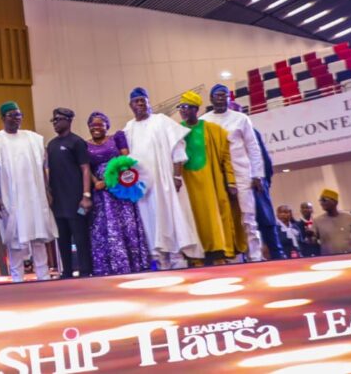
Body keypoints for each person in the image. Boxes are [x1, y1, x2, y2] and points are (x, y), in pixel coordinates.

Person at [122, 87, 202, 269]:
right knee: (149, 221)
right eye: (136, 101)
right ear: (130, 105)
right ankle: (161, 262)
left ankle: (177, 259)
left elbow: (178, 149)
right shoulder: (128, 128)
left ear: (149, 103)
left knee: (169, 216)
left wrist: (177, 176)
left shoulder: (162, 121)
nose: (140, 104)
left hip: (163, 182)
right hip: (142, 188)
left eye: (143, 100)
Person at [0, 101, 58, 282]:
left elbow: (41, 168)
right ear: (3, 118)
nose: (16, 119)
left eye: (19, 115)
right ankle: (17, 278)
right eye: (12, 115)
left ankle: (43, 275)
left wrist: (47, 190)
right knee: (15, 238)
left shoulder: (33, 138)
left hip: (35, 196)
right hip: (10, 197)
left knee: (39, 235)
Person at [176, 91, 244, 264]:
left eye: (186, 107)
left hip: (210, 181)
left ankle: (217, 255)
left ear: (195, 109)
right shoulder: (175, 131)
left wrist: (231, 181)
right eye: (180, 107)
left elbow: (226, 157)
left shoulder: (214, 130)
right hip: (187, 184)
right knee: (191, 218)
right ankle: (195, 258)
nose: (182, 110)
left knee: (213, 218)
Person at [201, 84, 264, 262]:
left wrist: (257, 174)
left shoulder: (241, 119)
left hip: (241, 173)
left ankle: (255, 256)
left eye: (225, 95)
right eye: (218, 95)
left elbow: (253, 147)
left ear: (229, 99)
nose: (221, 98)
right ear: (211, 99)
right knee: (225, 217)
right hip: (218, 176)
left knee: (247, 216)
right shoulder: (204, 121)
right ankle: (233, 258)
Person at [85, 111, 150, 275]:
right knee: (104, 228)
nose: (96, 128)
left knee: (126, 225)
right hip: (101, 193)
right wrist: (96, 182)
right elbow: (86, 168)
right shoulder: (85, 145)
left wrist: (111, 179)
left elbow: (126, 161)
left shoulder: (117, 138)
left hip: (120, 189)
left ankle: (132, 263)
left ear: (107, 126)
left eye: (100, 124)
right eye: (92, 125)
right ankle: (107, 267)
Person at [46, 108, 93, 278]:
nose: (55, 123)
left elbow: (85, 168)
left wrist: (86, 195)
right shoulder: (51, 144)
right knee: (62, 238)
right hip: (58, 201)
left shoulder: (77, 142)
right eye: (53, 120)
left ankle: (85, 271)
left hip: (76, 200)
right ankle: (66, 272)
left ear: (69, 120)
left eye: (58, 119)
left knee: (80, 237)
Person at [252, 127, 285, 260]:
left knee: (265, 222)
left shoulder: (249, 129)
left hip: (254, 182)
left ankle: (276, 254)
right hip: (257, 182)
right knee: (265, 221)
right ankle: (277, 254)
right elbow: (266, 160)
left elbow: (264, 159)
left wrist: (265, 181)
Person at [314, 189, 351, 255]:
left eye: (324, 200)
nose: (321, 203)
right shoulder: (317, 221)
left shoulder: (350, 217)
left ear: (335, 202)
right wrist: (310, 238)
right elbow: (313, 240)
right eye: (320, 200)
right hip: (330, 259)